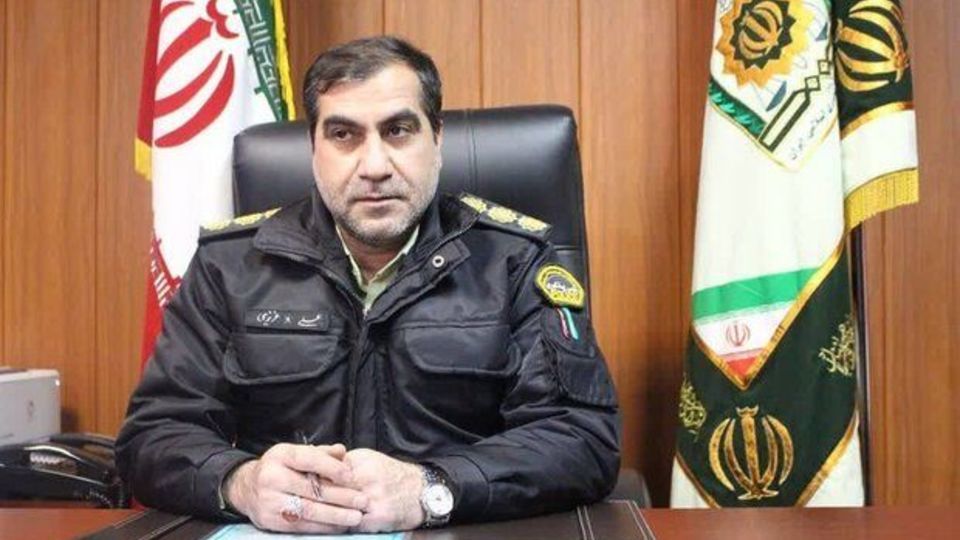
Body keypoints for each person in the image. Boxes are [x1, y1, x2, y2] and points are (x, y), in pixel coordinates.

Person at [116, 36, 620, 534]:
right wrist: (240, 482)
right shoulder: (230, 265)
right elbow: (153, 436)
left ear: (437, 138)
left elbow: (581, 439)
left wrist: (432, 488)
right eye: (343, 135)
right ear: (313, 148)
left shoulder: (515, 261)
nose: (375, 166)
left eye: (398, 131)